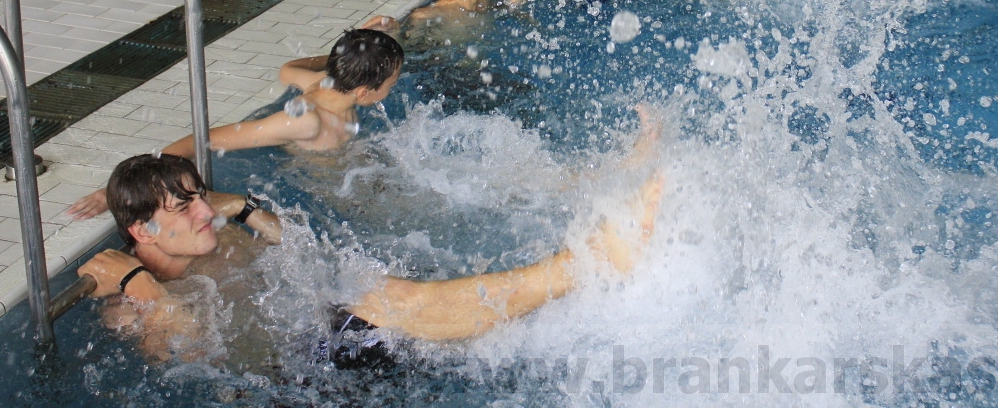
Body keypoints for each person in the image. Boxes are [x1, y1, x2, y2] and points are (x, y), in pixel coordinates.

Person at [75, 148, 663, 356]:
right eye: (185, 209)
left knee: (415, 299)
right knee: (392, 298)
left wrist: (244, 206)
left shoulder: (216, 236)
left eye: (200, 196)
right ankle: (584, 264)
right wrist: (141, 288)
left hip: (325, 338)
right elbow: (184, 359)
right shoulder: (127, 304)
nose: (206, 211)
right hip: (291, 385)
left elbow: (293, 241)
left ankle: (583, 283)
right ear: (142, 232)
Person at [67, 19, 406, 219]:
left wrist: (346, 54)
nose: (393, 88)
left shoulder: (326, 84)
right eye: (391, 84)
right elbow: (204, 139)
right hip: (329, 197)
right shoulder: (306, 119)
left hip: (358, 177)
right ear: (364, 92)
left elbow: (288, 70)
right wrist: (111, 193)